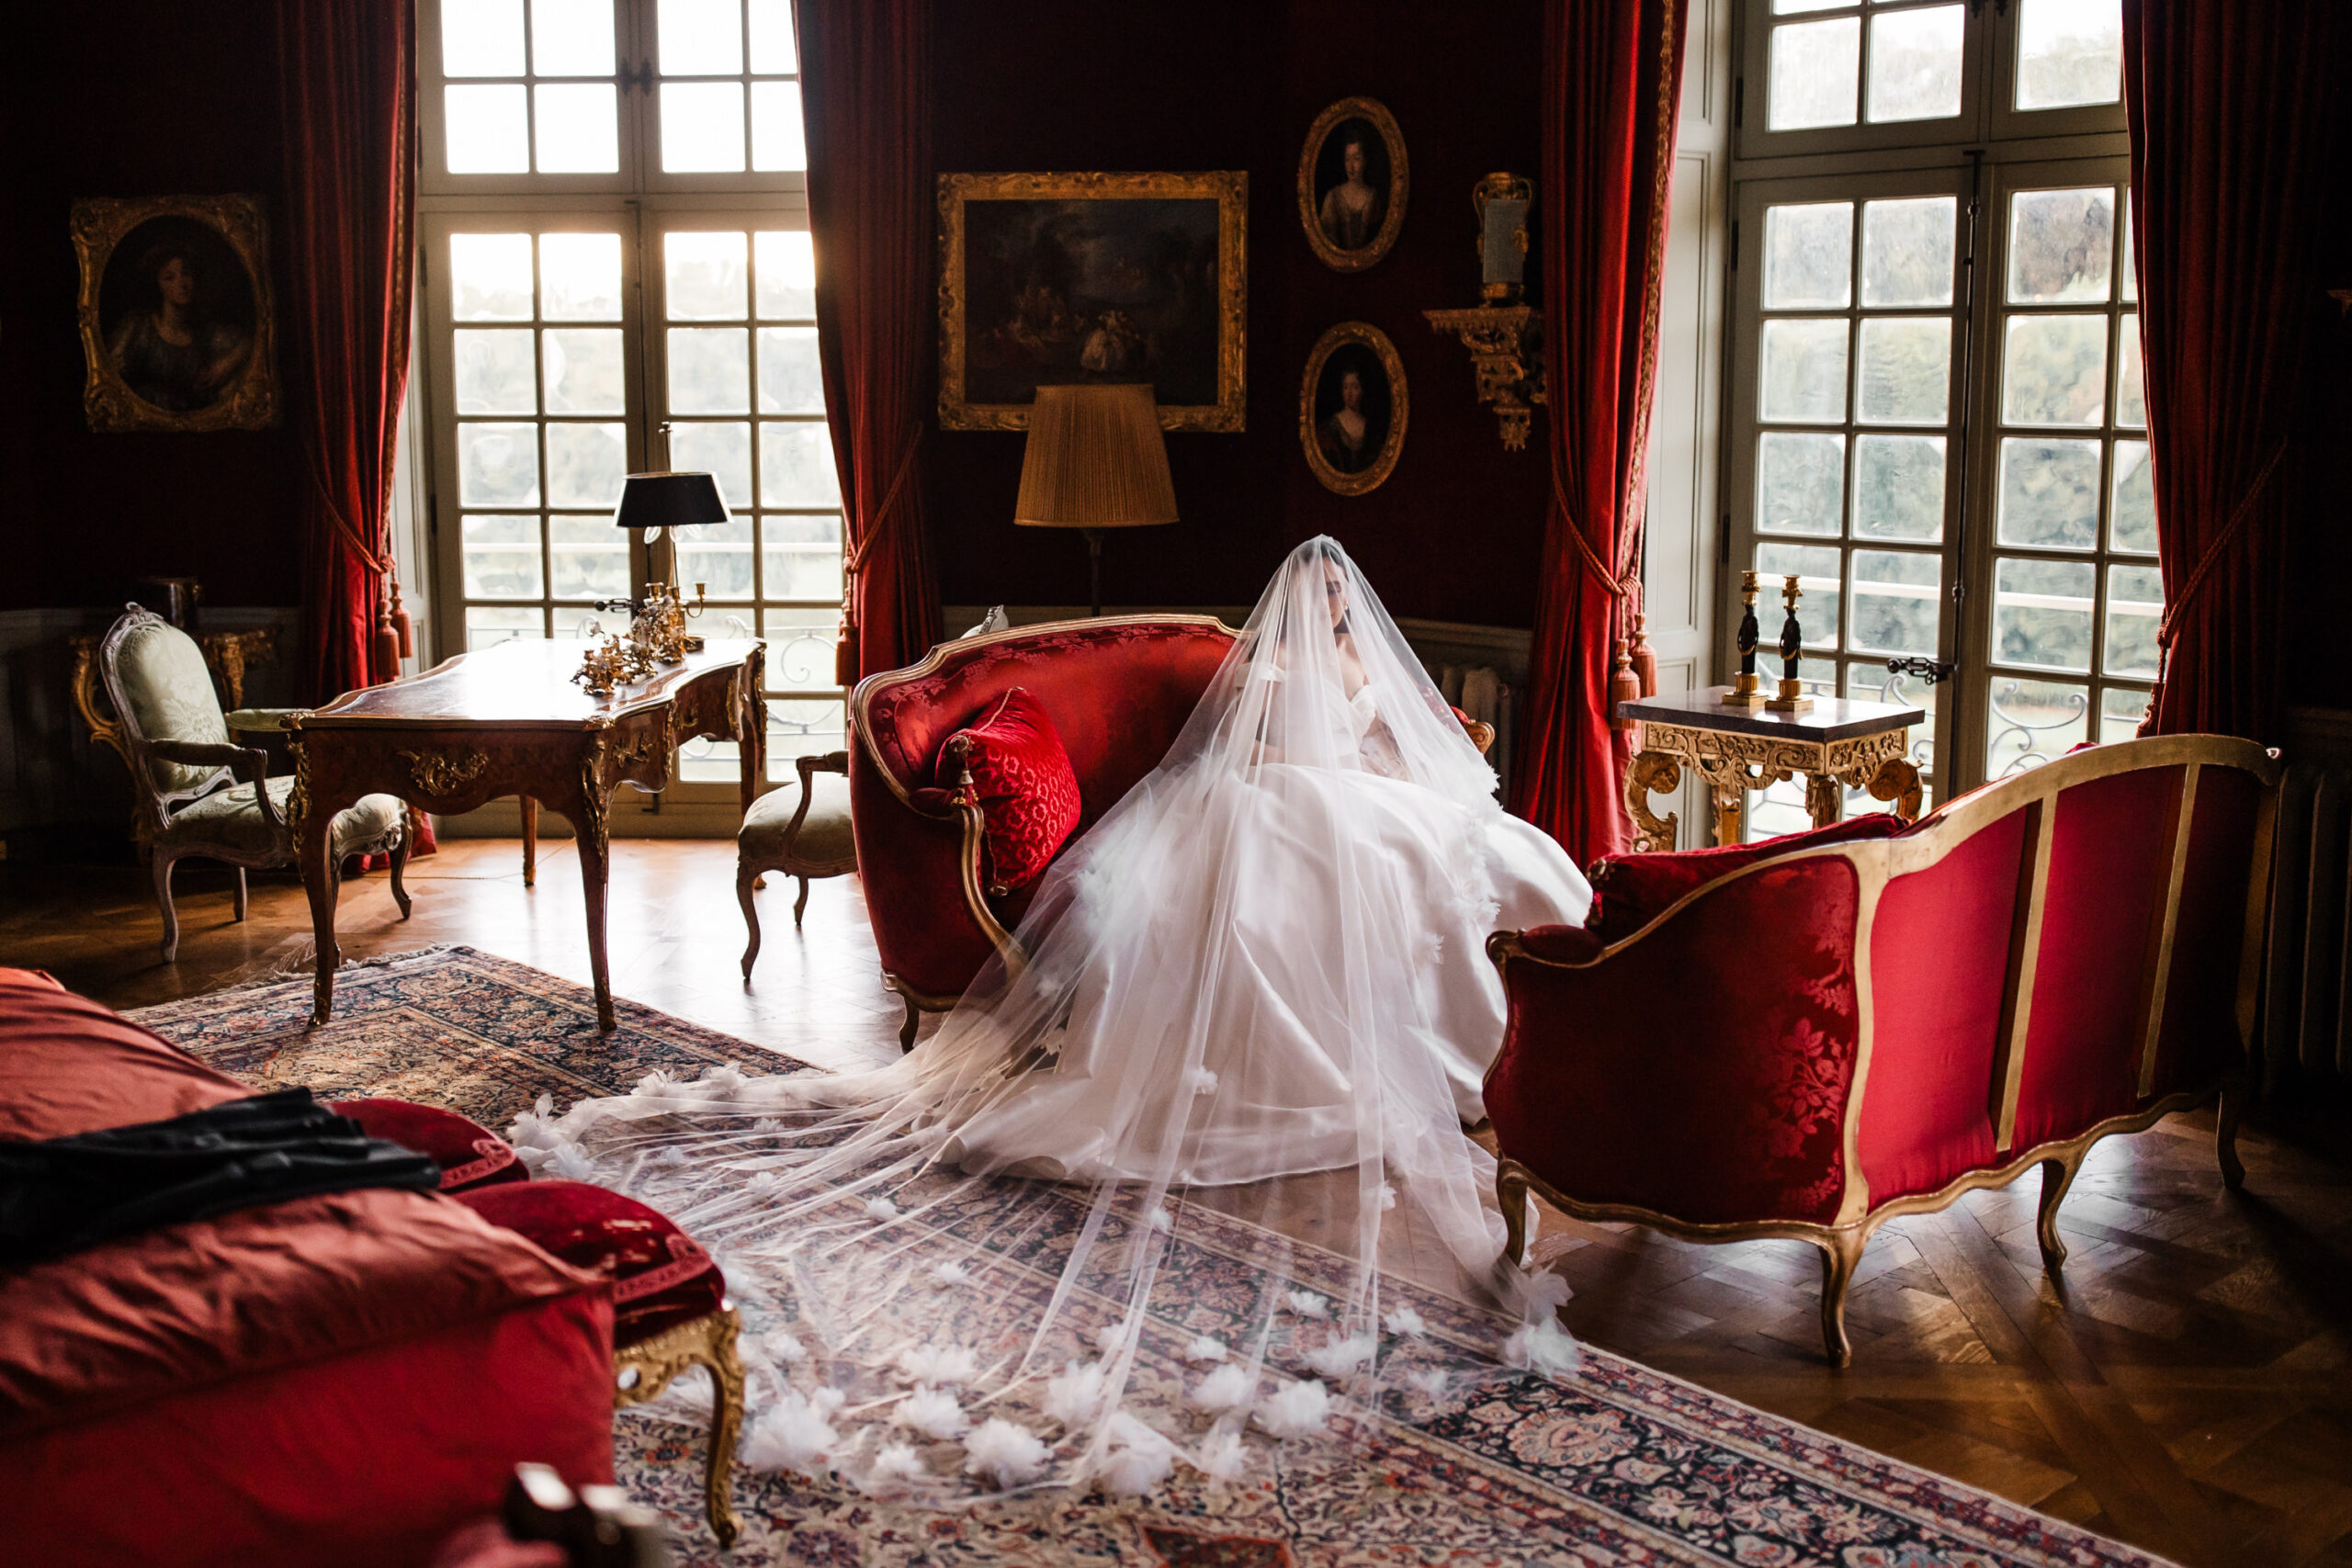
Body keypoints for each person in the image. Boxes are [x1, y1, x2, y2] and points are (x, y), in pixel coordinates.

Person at [519, 538, 1592, 1502]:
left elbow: (1403, 751)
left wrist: (1384, 771)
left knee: (1465, 856)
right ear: (1295, 607)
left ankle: (1533, 1037)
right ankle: (1364, 1054)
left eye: (1342, 608)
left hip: (1347, 806)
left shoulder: (1369, 664)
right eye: (1321, 604)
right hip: (1265, 808)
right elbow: (1242, 757)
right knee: (1310, 881)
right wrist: (1330, 767)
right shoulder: (1262, 670)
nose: (1336, 621)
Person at [106, 241, 253, 412]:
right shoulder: (139, 326)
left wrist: (225, 364)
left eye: (186, 274)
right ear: (158, 284)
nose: (182, 283)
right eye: (170, 277)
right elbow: (110, 374)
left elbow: (250, 342)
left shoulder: (202, 332)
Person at [1317, 132, 1383, 250]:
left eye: (1356, 159)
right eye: (1347, 159)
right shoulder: (1333, 196)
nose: (1351, 166)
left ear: (1365, 160)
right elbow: (1326, 240)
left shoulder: (1373, 196)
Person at [1317, 367, 1374, 473]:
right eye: (1346, 387)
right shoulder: (1331, 425)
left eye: (1355, 387)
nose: (1349, 393)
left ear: (1362, 391)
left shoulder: (1369, 427)